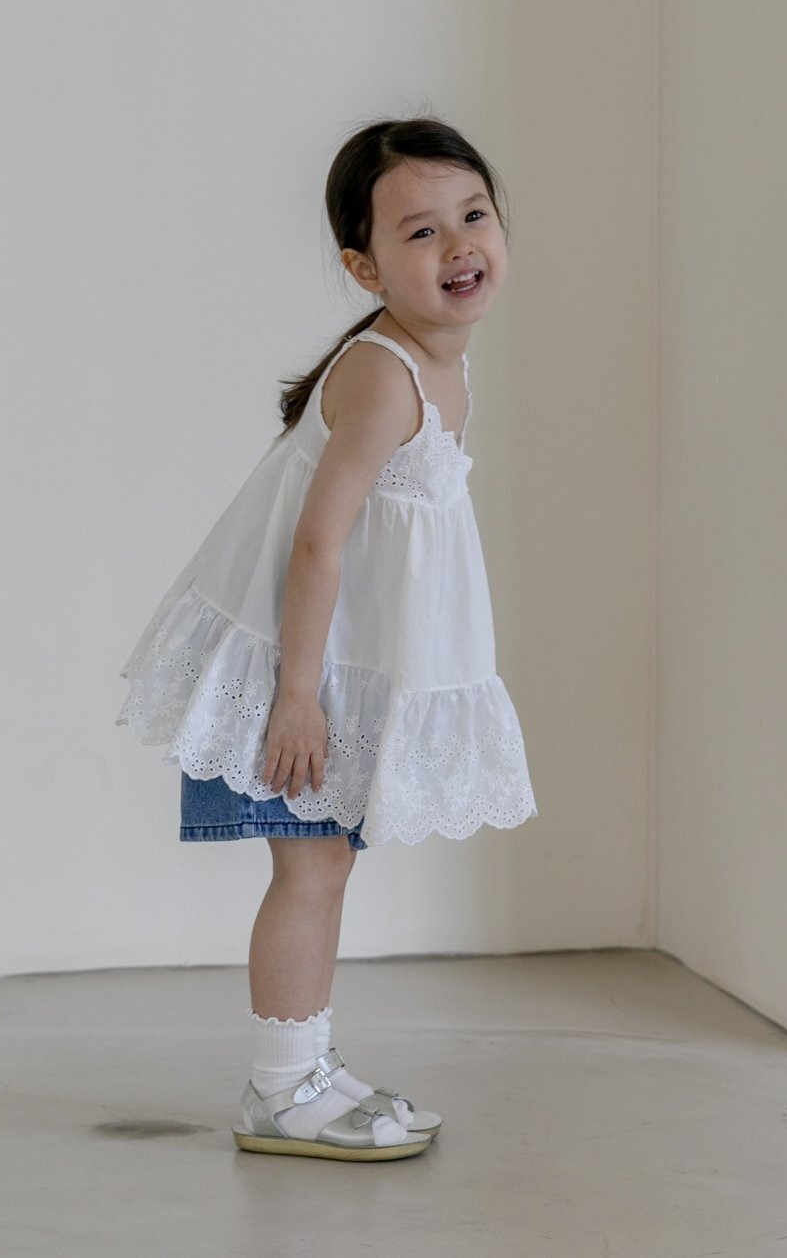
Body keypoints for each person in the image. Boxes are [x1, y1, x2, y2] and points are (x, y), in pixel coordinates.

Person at [115, 114, 538, 1161]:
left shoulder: (444, 366)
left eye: (473, 215)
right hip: (286, 669)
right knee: (309, 873)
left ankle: (304, 1065)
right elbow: (317, 543)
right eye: (421, 231)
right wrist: (297, 699)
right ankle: (279, 1087)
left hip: (333, 662)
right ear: (365, 267)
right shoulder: (384, 374)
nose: (459, 245)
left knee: (326, 867)